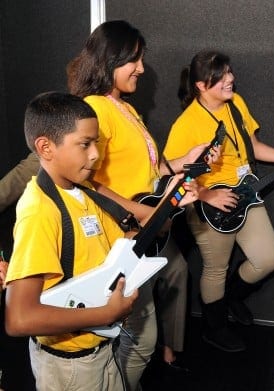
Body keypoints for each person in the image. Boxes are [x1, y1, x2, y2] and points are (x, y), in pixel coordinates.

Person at [66, 21, 216, 388]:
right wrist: (138, 212)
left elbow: (150, 170)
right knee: (139, 337)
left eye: (142, 59)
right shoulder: (96, 109)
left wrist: (185, 161)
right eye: (134, 59)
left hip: (145, 228)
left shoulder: (125, 108)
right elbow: (84, 179)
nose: (142, 68)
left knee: (149, 319)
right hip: (121, 233)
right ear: (108, 60)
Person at [4, 91, 162, 390]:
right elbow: (19, 318)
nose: (96, 155)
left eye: (97, 143)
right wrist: (109, 313)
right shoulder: (39, 210)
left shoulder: (84, 190)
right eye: (85, 144)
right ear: (45, 148)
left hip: (100, 352)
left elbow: (116, 243)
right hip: (69, 369)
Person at [163, 49, 274, 352]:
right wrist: (206, 194)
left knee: (269, 258)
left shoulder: (236, 103)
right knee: (215, 268)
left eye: (229, 71)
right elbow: (168, 174)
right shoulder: (186, 123)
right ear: (202, 86)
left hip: (244, 192)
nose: (231, 79)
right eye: (221, 77)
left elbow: (251, 147)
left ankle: (230, 298)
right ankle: (213, 327)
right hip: (208, 204)